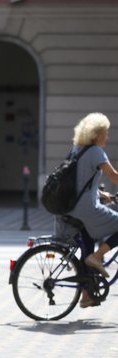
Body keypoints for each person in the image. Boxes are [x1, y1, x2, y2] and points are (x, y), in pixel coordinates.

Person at [61, 112, 118, 307]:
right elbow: (114, 176)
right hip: (86, 209)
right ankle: (98, 256)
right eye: (105, 132)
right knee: (92, 256)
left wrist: (103, 196)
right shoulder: (96, 152)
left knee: (86, 247)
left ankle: (86, 295)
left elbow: (80, 184)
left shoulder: (77, 149)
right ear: (97, 134)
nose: (107, 136)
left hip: (71, 207)